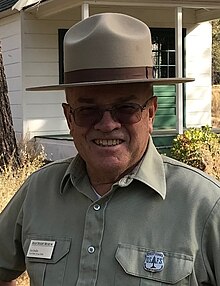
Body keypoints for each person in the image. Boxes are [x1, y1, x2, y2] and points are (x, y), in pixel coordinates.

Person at [0, 12, 219, 286]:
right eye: (88, 110)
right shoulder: (37, 192)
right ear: (69, 118)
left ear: (151, 113)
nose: (107, 124)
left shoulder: (205, 205)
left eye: (126, 108)